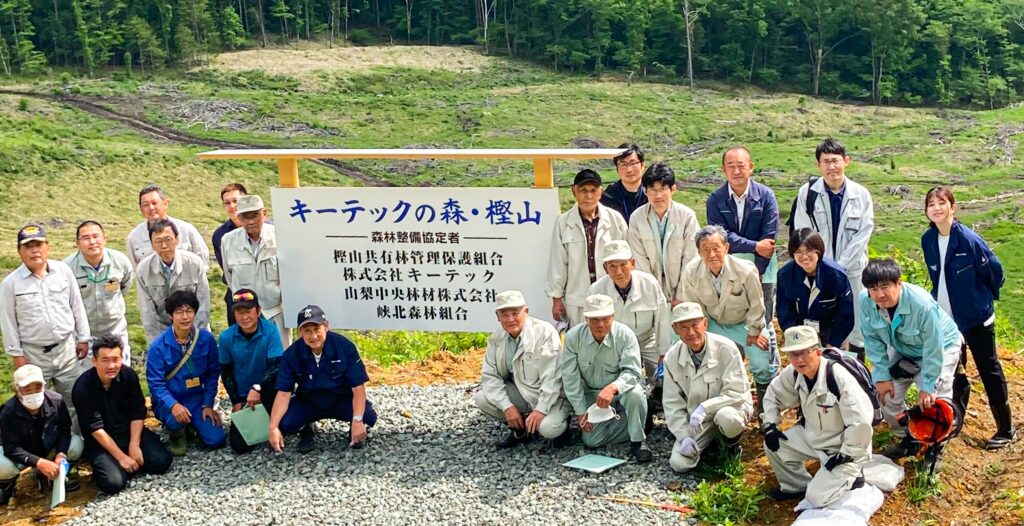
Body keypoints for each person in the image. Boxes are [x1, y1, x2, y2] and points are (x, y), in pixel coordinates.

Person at [921, 186, 1013, 450]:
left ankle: (1005, 429)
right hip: (946, 319)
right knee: (952, 368)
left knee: (988, 368)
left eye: (942, 203)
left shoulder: (968, 240)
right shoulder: (928, 239)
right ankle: (953, 420)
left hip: (975, 317)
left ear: (953, 207)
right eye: (931, 204)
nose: (936, 208)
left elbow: (995, 273)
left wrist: (981, 300)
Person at [859, 258, 961, 461]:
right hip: (902, 348)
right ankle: (910, 439)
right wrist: (881, 375)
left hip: (941, 347)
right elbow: (872, 340)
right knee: (886, 396)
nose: (879, 294)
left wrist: (928, 385)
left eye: (885, 287)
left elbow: (934, 345)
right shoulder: (866, 302)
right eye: (873, 288)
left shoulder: (921, 304)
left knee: (935, 402)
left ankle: (935, 449)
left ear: (899, 283)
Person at [762, 326, 873, 506]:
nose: (799, 359)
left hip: (841, 448)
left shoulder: (838, 378)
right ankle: (796, 486)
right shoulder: (793, 372)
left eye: (804, 352)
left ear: (818, 351)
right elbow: (772, 395)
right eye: (793, 354)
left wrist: (847, 455)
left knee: (816, 498)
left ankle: (854, 475)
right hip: (813, 437)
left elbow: (860, 423)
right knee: (774, 445)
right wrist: (770, 425)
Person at [681, 225, 779, 419]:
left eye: (716, 248)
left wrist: (754, 332)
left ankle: (766, 414)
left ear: (726, 248)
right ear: (699, 251)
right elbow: (694, 309)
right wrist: (702, 338)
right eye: (706, 249)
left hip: (744, 322)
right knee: (709, 361)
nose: (712, 254)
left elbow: (757, 306)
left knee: (761, 361)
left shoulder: (745, 270)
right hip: (713, 323)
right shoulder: (691, 272)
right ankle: (714, 408)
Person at [0, 224, 91, 430]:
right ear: (19, 251)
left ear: (47, 246)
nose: (34, 250)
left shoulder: (63, 271)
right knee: (35, 403)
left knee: (74, 399)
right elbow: (8, 323)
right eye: (28, 246)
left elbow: (77, 306)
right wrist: (17, 356)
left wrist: (83, 338)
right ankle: (43, 445)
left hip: (66, 350)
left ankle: (76, 443)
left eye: (39, 244)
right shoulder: (10, 284)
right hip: (33, 354)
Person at [792, 138, 874, 358]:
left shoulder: (861, 195)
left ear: (846, 161)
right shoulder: (807, 194)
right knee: (821, 323)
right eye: (825, 162)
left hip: (853, 271)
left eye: (835, 161)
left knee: (857, 326)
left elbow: (862, 235)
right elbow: (803, 233)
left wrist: (840, 268)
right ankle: (822, 371)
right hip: (819, 272)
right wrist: (824, 266)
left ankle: (855, 372)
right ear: (818, 165)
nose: (831, 167)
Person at [268, 305, 378, 454]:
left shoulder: (344, 347)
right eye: (307, 330)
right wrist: (273, 427)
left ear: (326, 327)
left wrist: (357, 419)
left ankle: (355, 430)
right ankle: (306, 429)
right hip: (309, 403)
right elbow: (283, 393)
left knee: (368, 417)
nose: (313, 336)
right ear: (300, 332)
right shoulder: (291, 354)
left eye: (316, 329)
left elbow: (358, 387)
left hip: (341, 400)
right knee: (284, 422)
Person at [72, 334, 173, 495]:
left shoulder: (128, 376)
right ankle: (115, 464)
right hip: (101, 441)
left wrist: (134, 444)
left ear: (121, 358)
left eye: (115, 359)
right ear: (94, 361)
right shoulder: (82, 388)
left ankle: (130, 460)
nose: (111, 366)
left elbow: (138, 411)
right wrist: (121, 457)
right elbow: (95, 428)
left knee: (161, 462)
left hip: (129, 432)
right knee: (114, 484)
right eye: (105, 360)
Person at [560, 294, 651, 462]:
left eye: (605, 318)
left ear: (613, 317)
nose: (600, 324)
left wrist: (613, 388)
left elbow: (633, 372)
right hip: (592, 394)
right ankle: (640, 420)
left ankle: (638, 440)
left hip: (620, 391)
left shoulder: (625, 335)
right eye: (595, 319)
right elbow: (570, 378)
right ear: (586, 318)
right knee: (591, 441)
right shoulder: (573, 338)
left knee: (636, 394)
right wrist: (580, 411)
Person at [474, 290, 571, 448]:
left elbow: (553, 378)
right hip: (521, 394)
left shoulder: (544, 332)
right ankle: (520, 429)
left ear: (526, 312)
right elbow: (490, 377)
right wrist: (507, 407)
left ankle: (562, 424)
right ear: (498, 317)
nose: (511, 319)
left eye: (515, 313)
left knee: (547, 429)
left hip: (552, 397)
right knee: (482, 398)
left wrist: (540, 410)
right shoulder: (496, 339)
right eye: (505, 315)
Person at [663, 302, 752, 473]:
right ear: (675, 329)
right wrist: (684, 436)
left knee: (727, 418)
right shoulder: (671, 358)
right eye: (683, 327)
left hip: (730, 408)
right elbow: (672, 403)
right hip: (697, 421)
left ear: (705, 323)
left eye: (695, 325)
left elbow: (737, 392)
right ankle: (709, 444)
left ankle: (730, 446)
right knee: (679, 464)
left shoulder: (726, 348)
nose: (690, 332)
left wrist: (705, 407)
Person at [146, 290, 226, 456]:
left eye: (189, 311)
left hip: (196, 397)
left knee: (216, 440)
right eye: (179, 312)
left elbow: (213, 373)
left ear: (195, 313)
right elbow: (155, 384)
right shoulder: (158, 347)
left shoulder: (206, 339)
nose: (185, 317)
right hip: (171, 399)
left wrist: (207, 404)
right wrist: (173, 405)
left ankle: (192, 427)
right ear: (171, 316)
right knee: (175, 422)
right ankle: (176, 432)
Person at [707, 146, 780, 324]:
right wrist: (755, 246)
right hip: (729, 271)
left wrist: (758, 271)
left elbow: (768, 240)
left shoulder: (766, 196)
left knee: (763, 324)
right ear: (723, 169)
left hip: (763, 270)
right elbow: (722, 237)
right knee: (733, 323)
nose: (736, 171)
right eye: (730, 166)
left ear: (751, 167)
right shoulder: (715, 199)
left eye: (741, 165)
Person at [547, 169, 628, 327]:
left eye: (593, 190)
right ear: (573, 191)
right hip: (577, 298)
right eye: (583, 191)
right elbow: (558, 262)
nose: (588, 196)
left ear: (600, 192)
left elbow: (626, 260)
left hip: (611, 294)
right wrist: (556, 299)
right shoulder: (563, 223)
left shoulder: (615, 219)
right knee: (580, 343)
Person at [587, 240, 672, 382]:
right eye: (612, 266)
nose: (618, 272)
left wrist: (664, 353)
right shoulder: (596, 290)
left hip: (647, 340)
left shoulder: (649, 283)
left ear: (632, 263)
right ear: (605, 267)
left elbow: (662, 320)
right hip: (615, 344)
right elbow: (591, 327)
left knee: (668, 372)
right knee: (622, 380)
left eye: (623, 265)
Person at [0, 365, 84, 505]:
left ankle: (56, 477)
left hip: (48, 449)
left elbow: (65, 430)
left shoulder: (56, 401)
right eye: (27, 389)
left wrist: (61, 454)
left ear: (44, 386)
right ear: (17, 390)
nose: (33, 393)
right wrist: (39, 462)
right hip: (22, 456)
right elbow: (11, 448)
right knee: (2, 465)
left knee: (76, 444)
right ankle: (7, 487)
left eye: (37, 387)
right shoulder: (8, 412)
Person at [626, 162, 701, 306]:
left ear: (673, 189)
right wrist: (653, 293)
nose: (658, 195)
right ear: (645, 191)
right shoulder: (637, 218)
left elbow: (691, 259)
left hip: (684, 294)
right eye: (652, 190)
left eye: (663, 189)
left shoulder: (687, 216)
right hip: (649, 295)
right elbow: (639, 260)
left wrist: (681, 295)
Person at [221, 195, 290, 350]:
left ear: (264, 213)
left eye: (255, 215)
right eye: (245, 217)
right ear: (239, 218)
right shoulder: (228, 241)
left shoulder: (279, 236)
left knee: (280, 360)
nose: (251, 221)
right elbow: (230, 278)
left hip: (275, 313)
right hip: (245, 316)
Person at [218, 289, 284, 454]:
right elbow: (225, 372)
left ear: (258, 311)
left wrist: (258, 388)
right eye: (239, 312)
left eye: (248, 311)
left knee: (289, 423)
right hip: (243, 396)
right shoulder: (226, 337)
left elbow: (276, 366)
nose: (244, 317)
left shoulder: (270, 331)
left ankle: (276, 423)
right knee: (239, 446)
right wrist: (235, 402)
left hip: (267, 391)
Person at [64, 220, 135, 364]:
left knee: (118, 374)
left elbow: (125, 286)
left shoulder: (120, 262)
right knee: (87, 379)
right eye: (86, 238)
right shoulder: (67, 268)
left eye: (96, 236)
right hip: (83, 335)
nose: (92, 242)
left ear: (104, 239)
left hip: (115, 330)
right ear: (77, 243)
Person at [776, 228, 854, 352]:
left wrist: (832, 344)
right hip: (802, 334)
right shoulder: (785, 275)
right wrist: (798, 339)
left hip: (833, 334)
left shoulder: (836, 274)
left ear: (819, 250)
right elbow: (784, 312)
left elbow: (846, 314)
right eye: (798, 252)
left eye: (809, 251)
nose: (804, 256)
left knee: (832, 368)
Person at [136, 220, 211, 344]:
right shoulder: (143, 270)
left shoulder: (194, 264)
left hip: (194, 328)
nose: (164, 246)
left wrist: (197, 339)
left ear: (177, 240)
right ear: (152, 245)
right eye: (159, 241)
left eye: (168, 239)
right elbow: (147, 312)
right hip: (162, 331)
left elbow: (203, 305)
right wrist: (156, 343)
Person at [126, 185, 209, 267]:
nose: (151, 208)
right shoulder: (134, 238)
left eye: (154, 203)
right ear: (141, 209)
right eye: (146, 205)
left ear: (165, 204)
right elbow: (135, 270)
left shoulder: (186, 230)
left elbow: (202, 261)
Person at [213, 183, 248, 326]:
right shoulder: (220, 235)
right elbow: (226, 269)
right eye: (227, 203)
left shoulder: (269, 229)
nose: (232, 206)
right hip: (236, 293)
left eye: (235, 201)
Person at [601, 143, 648, 221]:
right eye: (623, 164)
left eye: (633, 163)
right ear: (617, 169)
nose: (629, 169)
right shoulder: (608, 197)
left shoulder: (651, 193)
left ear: (642, 165)